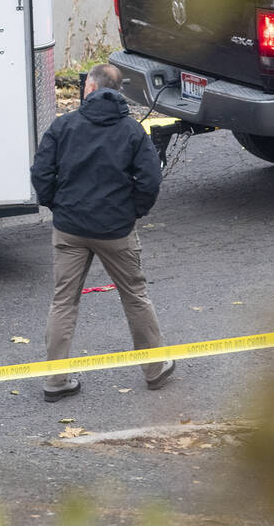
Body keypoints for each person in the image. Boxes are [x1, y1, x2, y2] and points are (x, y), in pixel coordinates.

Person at [30, 62, 175, 402]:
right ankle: (154, 369)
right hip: (115, 229)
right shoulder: (132, 131)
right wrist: (132, 212)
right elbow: (151, 181)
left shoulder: (63, 126)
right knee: (135, 296)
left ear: (91, 89)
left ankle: (55, 380)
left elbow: (41, 173)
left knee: (63, 302)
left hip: (69, 228)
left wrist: (57, 207)